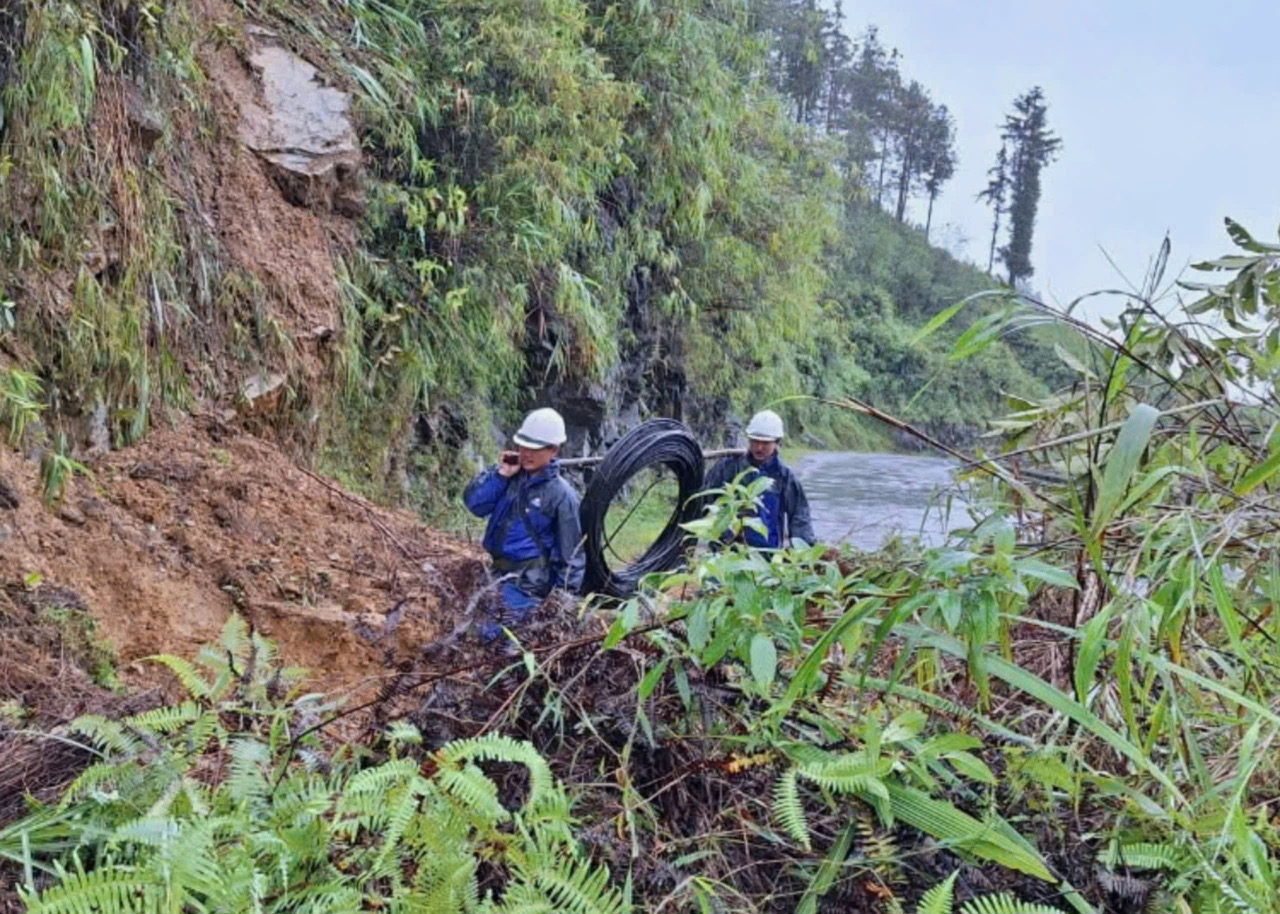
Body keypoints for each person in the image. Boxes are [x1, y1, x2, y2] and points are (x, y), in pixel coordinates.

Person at [463, 407, 585, 643]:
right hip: (497, 575)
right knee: (470, 634)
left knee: (494, 641)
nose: (526, 453)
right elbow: (475, 505)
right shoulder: (510, 478)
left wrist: (562, 606)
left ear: (553, 450)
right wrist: (501, 474)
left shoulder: (562, 496)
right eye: (522, 445)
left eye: (535, 448)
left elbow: (571, 557)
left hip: (528, 585)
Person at [702, 409, 816, 549]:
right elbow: (701, 502)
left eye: (765, 443)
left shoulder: (785, 477)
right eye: (755, 441)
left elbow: (800, 519)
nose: (759, 447)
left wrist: (801, 552)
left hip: (767, 554)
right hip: (726, 553)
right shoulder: (727, 468)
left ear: (777, 443)